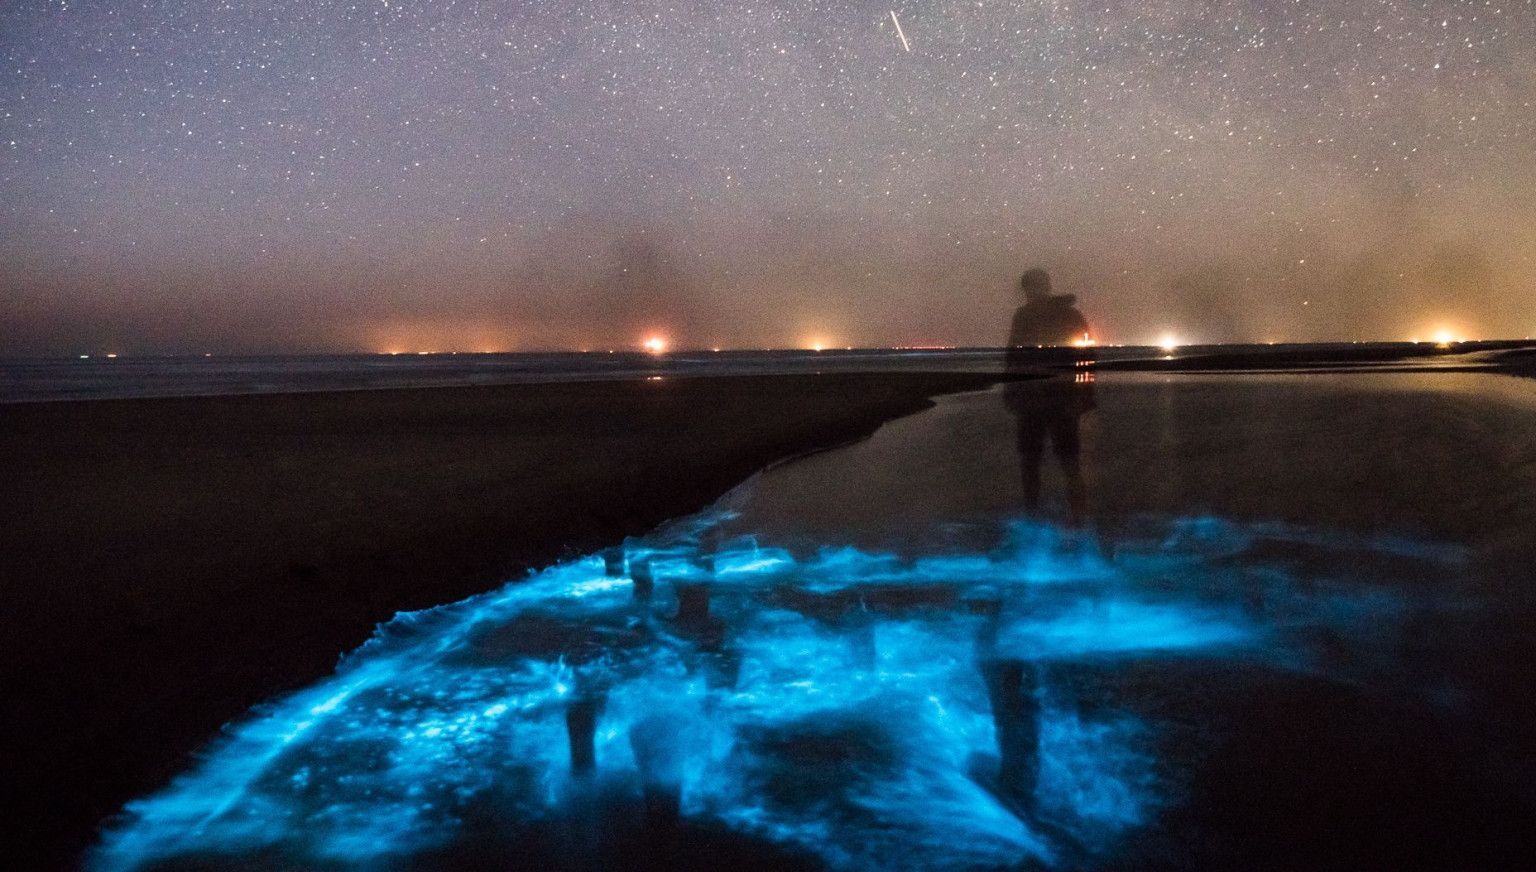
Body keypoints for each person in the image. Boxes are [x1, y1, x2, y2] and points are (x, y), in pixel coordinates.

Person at [1002, 268, 1095, 526]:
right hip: (1057, 398)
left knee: (1038, 462)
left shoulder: (1026, 316)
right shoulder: (1068, 315)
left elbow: (1014, 356)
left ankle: (1041, 517)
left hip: (1042, 399)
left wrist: (1012, 390)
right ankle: (1076, 519)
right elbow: (1086, 354)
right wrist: (1085, 393)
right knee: (1063, 461)